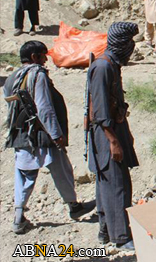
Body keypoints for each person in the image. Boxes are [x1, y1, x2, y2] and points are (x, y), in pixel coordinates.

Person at [4, 41, 95, 234]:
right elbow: (44, 107)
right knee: (61, 170)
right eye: (43, 55)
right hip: (41, 135)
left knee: (25, 175)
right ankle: (73, 206)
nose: (46, 60)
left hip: (21, 134)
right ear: (34, 57)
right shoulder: (38, 74)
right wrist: (56, 135)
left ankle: (19, 217)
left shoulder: (12, 77)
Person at [88, 22, 140, 251]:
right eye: (129, 43)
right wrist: (114, 141)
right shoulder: (103, 67)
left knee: (108, 182)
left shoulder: (111, 65)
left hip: (113, 130)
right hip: (106, 133)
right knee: (117, 184)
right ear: (121, 43)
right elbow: (99, 111)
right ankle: (120, 236)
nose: (132, 48)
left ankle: (106, 230)